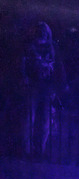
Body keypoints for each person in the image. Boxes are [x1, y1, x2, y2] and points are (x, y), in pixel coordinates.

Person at [20, 22, 66, 160]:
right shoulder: (28, 47)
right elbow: (22, 63)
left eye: (44, 31)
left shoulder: (52, 48)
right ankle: (26, 150)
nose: (42, 33)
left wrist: (62, 83)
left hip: (47, 87)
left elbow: (59, 65)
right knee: (30, 117)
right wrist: (24, 77)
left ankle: (40, 149)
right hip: (33, 86)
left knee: (45, 119)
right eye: (40, 30)